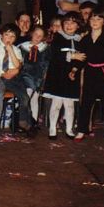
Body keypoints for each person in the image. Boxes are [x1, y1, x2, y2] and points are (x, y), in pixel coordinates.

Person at [73, 9, 104, 144]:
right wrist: (75, 69)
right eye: (93, 19)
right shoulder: (85, 39)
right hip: (90, 73)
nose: (95, 21)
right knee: (86, 103)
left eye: (99, 19)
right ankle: (82, 130)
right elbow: (81, 58)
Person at [42, 11, 85, 139]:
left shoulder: (80, 40)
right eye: (66, 22)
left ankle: (69, 129)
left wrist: (75, 70)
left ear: (78, 26)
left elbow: (82, 59)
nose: (69, 25)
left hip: (71, 78)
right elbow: (54, 55)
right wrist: (72, 55)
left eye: (73, 23)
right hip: (57, 77)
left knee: (70, 105)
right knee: (56, 104)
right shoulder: (57, 38)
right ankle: (52, 128)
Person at [0, 23, 34, 136]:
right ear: (1, 35)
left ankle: (23, 122)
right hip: (1, 78)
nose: (9, 38)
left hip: (15, 78)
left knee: (24, 97)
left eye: (12, 36)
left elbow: (17, 66)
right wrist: (2, 73)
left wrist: (10, 50)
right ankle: (26, 124)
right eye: (7, 35)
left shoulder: (16, 50)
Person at [17, 25, 51, 129]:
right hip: (24, 76)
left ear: (43, 37)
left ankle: (34, 121)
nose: (37, 37)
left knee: (34, 99)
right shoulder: (22, 47)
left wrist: (45, 76)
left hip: (39, 77)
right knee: (27, 95)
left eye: (40, 36)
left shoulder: (45, 48)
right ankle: (25, 120)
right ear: (32, 33)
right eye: (36, 34)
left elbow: (47, 63)